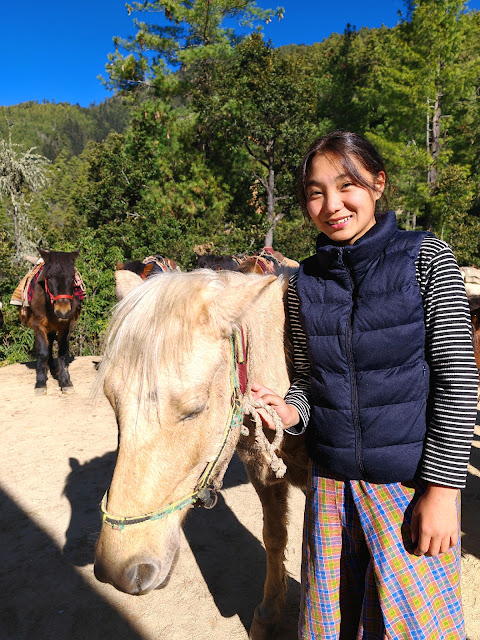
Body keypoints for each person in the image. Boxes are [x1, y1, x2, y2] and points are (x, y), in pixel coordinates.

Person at [251, 130, 478, 639]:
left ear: (378, 183)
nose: (331, 204)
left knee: (414, 628)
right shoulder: (303, 283)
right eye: (315, 192)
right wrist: (291, 411)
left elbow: (458, 381)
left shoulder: (425, 258)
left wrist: (442, 492)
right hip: (329, 489)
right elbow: (310, 379)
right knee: (336, 625)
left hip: (407, 487)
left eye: (346, 184)